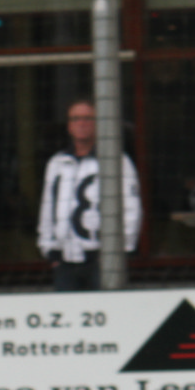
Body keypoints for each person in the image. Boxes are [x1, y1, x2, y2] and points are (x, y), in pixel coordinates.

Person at [36, 98, 140, 292]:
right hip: (65, 261)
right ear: (69, 126)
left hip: (102, 260)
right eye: (75, 119)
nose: (81, 123)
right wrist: (49, 249)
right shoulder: (57, 163)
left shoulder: (116, 161)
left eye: (87, 118)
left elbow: (131, 208)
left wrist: (121, 250)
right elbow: (48, 207)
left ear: (98, 123)